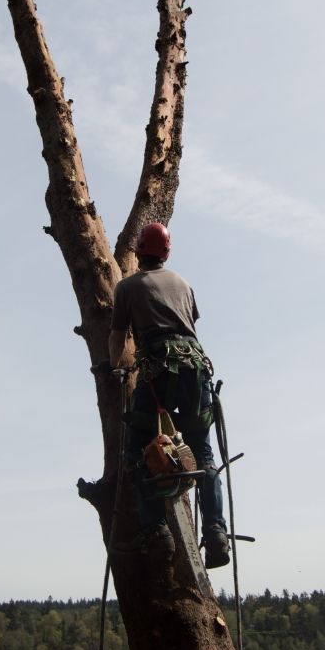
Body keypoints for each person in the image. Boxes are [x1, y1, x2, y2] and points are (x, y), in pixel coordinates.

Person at [109, 222, 230, 569]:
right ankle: (217, 533)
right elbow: (189, 324)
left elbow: (118, 338)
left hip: (157, 369)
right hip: (194, 368)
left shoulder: (127, 287)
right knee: (203, 451)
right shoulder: (184, 283)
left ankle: (156, 531)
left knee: (139, 447)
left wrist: (115, 367)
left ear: (138, 252)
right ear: (166, 252)